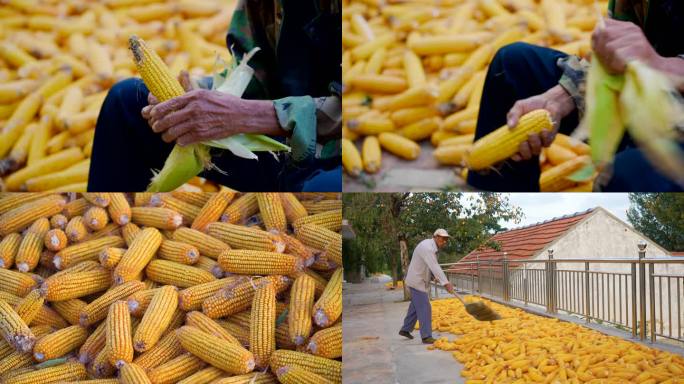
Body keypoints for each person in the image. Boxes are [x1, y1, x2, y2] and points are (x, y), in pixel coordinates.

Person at [88, 0, 341, 192]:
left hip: (330, 153)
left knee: (323, 189)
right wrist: (198, 94)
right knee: (126, 101)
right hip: (275, 144)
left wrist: (248, 115)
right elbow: (251, 65)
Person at [468, 0, 684, 192]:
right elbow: (613, 63)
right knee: (513, 65)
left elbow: (646, 61)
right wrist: (558, 99)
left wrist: (659, 65)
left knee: (628, 173)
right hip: (643, 101)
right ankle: (502, 203)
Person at [399, 229, 455, 344]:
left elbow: (429, 265)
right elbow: (435, 266)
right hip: (417, 281)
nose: (444, 241)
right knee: (425, 307)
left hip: (417, 279)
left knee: (415, 307)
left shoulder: (431, 247)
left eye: (446, 239)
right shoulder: (428, 248)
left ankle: (405, 329)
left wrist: (432, 276)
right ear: (436, 237)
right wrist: (446, 283)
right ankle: (426, 336)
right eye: (442, 238)